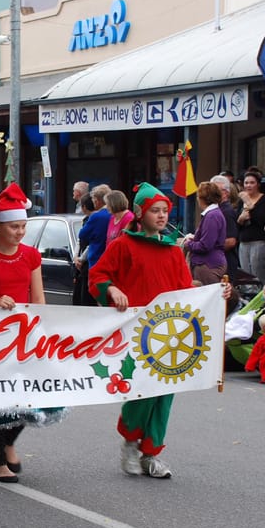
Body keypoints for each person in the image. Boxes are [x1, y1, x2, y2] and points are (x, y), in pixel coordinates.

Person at [88, 182, 232, 479]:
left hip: (169, 335)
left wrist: (217, 293)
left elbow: (184, 291)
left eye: (166, 210)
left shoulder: (173, 251)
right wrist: (112, 290)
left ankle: (151, 453)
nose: (162, 216)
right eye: (156, 210)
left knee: (165, 394)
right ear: (141, 213)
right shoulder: (122, 246)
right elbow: (98, 275)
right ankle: (130, 442)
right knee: (141, 391)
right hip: (136, 333)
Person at [0, 183, 66, 482]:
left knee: (32, 394)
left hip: (25, 334)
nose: (20, 232)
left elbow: (39, 297)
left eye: (23, 226)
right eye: (15, 226)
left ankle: (9, 443)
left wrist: (39, 326)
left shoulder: (31, 255)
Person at [183, 181, 227, 285]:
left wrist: (188, 244)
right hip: (209, 264)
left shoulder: (212, 216)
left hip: (207, 265)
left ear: (202, 198)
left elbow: (205, 245)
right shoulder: (214, 214)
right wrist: (195, 238)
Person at [236, 170, 265, 282]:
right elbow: (237, 224)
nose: (248, 185)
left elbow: (262, 220)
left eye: (252, 182)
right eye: (246, 183)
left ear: (258, 184)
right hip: (243, 242)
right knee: (245, 277)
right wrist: (240, 219)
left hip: (259, 242)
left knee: (258, 276)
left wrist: (250, 205)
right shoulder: (240, 201)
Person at [211, 174, 240, 279]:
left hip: (225, 264)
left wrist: (208, 247)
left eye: (215, 190)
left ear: (226, 193)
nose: (212, 194)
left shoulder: (226, 212)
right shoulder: (215, 211)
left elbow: (231, 241)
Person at [76, 183, 112, 271]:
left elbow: (82, 235)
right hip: (111, 259)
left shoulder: (96, 216)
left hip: (96, 257)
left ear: (97, 200)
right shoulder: (114, 214)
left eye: (93, 198)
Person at [72, 194, 97, 307]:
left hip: (88, 266)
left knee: (86, 301)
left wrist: (81, 259)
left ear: (84, 207)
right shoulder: (85, 220)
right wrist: (75, 257)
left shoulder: (95, 220)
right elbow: (79, 240)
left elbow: (93, 243)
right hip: (81, 266)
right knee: (78, 299)